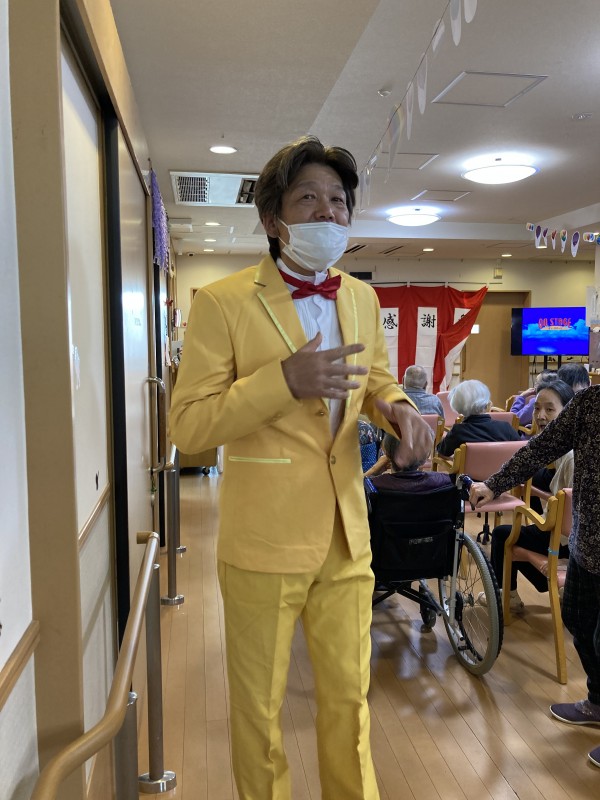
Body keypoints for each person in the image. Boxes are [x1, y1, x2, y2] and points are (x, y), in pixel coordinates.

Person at [169, 135, 432, 800]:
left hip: (348, 537)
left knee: (350, 704)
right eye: (307, 198)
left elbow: (373, 380)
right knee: (258, 715)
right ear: (272, 218)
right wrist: (281, 382)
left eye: (338, 201)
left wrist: (397, 409)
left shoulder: (362, 299)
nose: (327, 213)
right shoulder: (222, 302)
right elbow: (189, 424)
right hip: (263, 541)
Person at [468, 384, 600, 770]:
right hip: (587, 545)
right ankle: (598, 702)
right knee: (577, 618)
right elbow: (540, 448)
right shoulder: (590, 403)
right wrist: (494, 483)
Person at [480, 379, 575, 611]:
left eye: (550, 409)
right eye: (537, 408)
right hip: (570, 539)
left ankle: (505, 596)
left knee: (503, 535)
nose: (540, 416)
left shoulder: (571, 457)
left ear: (568, 413)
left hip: (565, 541)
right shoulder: (563, 449)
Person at [436, 379, 520, 458]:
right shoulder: (506, 427)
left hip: (469, 470)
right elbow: (520, 450)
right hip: (502, 469)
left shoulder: (458, 431)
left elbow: (442, 452)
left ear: (457, 405)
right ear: (487, 403)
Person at [369, 433, 450, 492]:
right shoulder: (444, 482)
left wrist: (372, 472)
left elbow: (360, 492)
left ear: (387, 454)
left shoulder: (373, 485)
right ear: (425, 456)